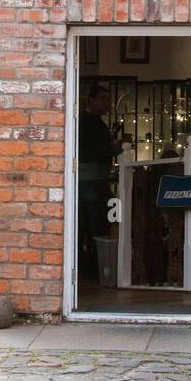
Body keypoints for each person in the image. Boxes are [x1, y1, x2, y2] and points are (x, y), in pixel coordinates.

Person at [77, 84, 118, 280]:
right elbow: (101, 151)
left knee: (86, 227)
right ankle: (96, 271)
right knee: (97, 228)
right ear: (90, 101)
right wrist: (116, 147)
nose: (106, 103)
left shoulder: (88, 122)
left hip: (88, 182)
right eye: (102, 99)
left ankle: (86, 271)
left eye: (107, 99)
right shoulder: (92, 123)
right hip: (94, 182)